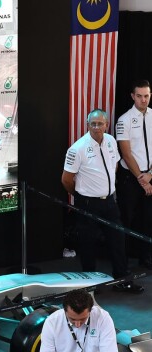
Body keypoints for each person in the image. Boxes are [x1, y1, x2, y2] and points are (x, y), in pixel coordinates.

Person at [62, 108, 143, 293]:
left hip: (109, 202)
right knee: (87, 244)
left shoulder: (111, 141)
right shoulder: (77, 148)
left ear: (107, 125)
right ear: (87, 125)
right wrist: (81, 196)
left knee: (118, 239)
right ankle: (90, 284)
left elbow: (114, 166)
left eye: (100, 123)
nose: (97, 127)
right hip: (88, 203)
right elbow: (66, 179)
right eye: (93, 124)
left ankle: (122, 279)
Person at [115, 80, 152, 269]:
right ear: (132, 96)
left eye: (146, 95)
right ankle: (123, 263)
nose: (143, 99)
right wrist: (141, 178)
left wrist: (150, 175)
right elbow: (126, 154)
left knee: (149, 219)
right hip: (131, 178)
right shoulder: (124, 120)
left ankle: (146, 257)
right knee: (126, 219)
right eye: (139, 96)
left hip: (150, 177)